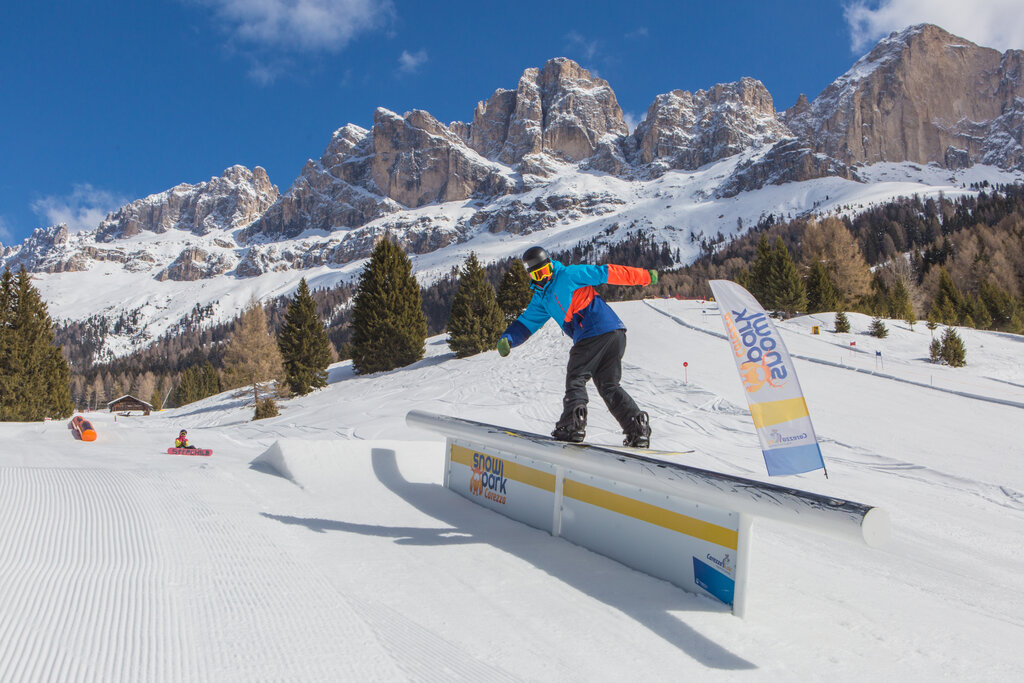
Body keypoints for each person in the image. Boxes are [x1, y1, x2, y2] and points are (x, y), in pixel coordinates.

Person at [496, 246, 657, 447]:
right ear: (531, 275)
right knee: (609, 386)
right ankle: (637, 427)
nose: (543, 277)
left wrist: (644, 276)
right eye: (538, 274)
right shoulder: (541, 298)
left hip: (595, 331)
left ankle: (571, 425)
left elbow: (606, 272)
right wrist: (508, 338)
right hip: (614, 334)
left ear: (551, 265)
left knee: (576, 377)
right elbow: (527, 322)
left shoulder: (568, 274)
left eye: (545, 271)